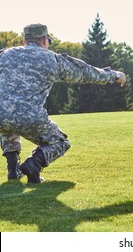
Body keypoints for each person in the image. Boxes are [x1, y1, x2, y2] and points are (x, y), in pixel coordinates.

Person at [0, 23, 126, 183]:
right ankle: (33, 164)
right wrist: (114, 75)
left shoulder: (5, 55)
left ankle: (13, 170)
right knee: (60, 142)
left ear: (25, 40)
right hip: (30, 117)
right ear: (45, 40)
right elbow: (84, 72)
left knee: (6, 124)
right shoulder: (52, 59)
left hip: (1, 116)